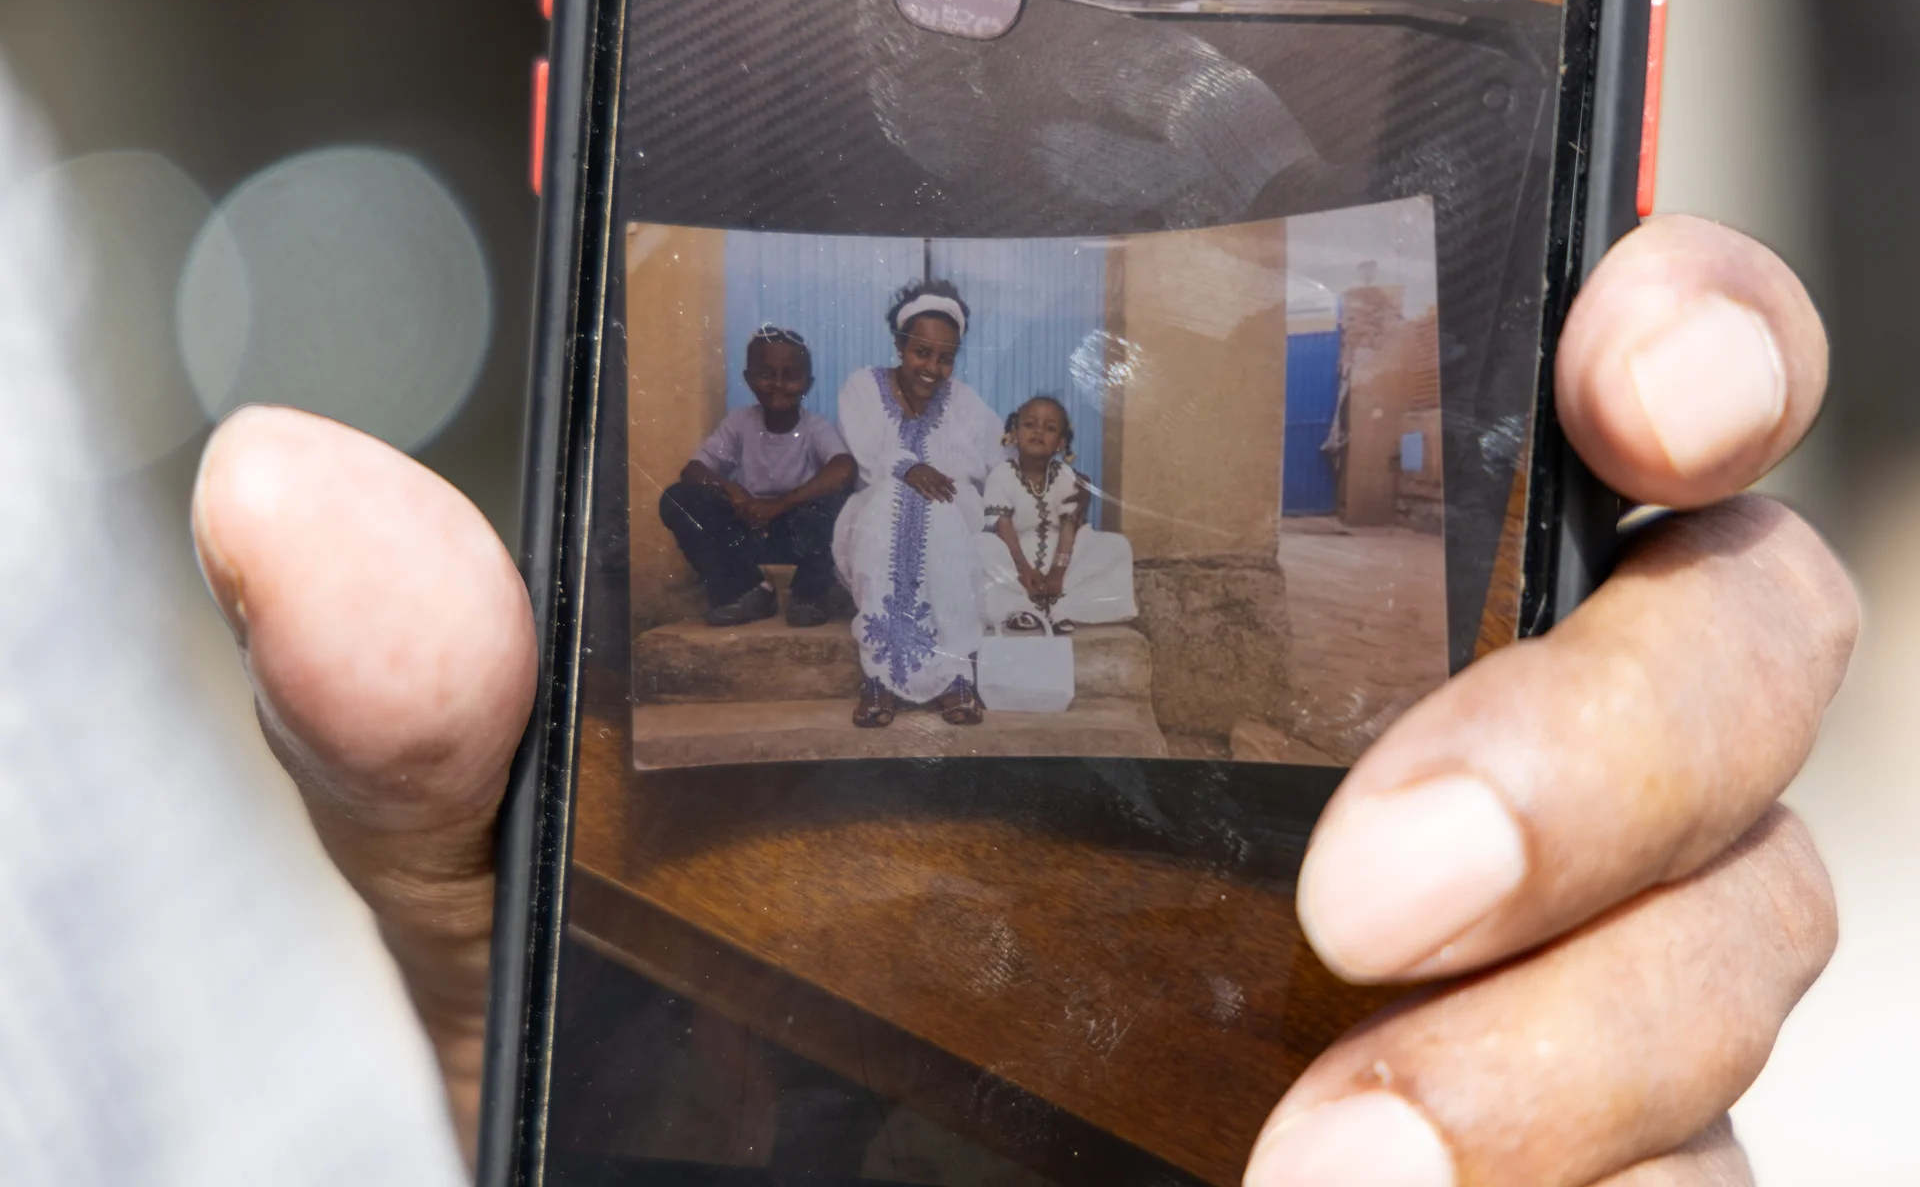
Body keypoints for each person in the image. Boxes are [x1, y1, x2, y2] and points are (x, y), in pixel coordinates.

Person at [183, 215, 1851, 1187]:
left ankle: (952, 685)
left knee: (958, 572)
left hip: (953, 536)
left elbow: (981, 478)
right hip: (872, 527)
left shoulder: (982, 416)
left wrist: (982, 499)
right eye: (911, 338)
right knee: (881, 546)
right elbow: (874, 461)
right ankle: (895, 688)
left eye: (936, 341)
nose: (920, 355)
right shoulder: (862, 391)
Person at [830, 280, 1007, 728]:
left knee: (942, 518)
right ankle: (879, 676)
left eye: (945, 358)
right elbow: (869, 456)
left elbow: (1002, 457)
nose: (932, 367)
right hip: (879, 505)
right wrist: (908, 469)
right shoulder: (863, 387)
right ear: (899, 345)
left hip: (949, 509)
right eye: (921, 353)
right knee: (890, 507)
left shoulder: (963, 401)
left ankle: (954, 676)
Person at [658, 325, 855, 627]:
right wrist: (730, 489)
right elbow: (693, 470)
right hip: (749, 527)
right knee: (677, 497)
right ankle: (747, 591)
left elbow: (844, 468)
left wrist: (778, 505)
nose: (778, 384)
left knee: (841, 500)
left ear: (808, 383)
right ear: (749, 378)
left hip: (797, 532)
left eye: (791, 375)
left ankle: (809, 595)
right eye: (766, 374)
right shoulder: (739, 423)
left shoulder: (815, 427)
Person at [978, 396, 1136, 633]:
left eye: (1050, 428)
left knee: (1117, 546)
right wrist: (1023, 570)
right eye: (1029, 425)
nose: (1038, 432)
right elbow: (1004, 528)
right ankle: (1020, 608)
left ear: (1061, 443)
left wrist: (1057, 573)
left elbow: (1069, 527)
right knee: (981, 546)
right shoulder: (1001, 475)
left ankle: (1063, 608)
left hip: (1061, 555)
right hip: (1015, 555)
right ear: (1014, 433)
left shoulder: (1065, 475)